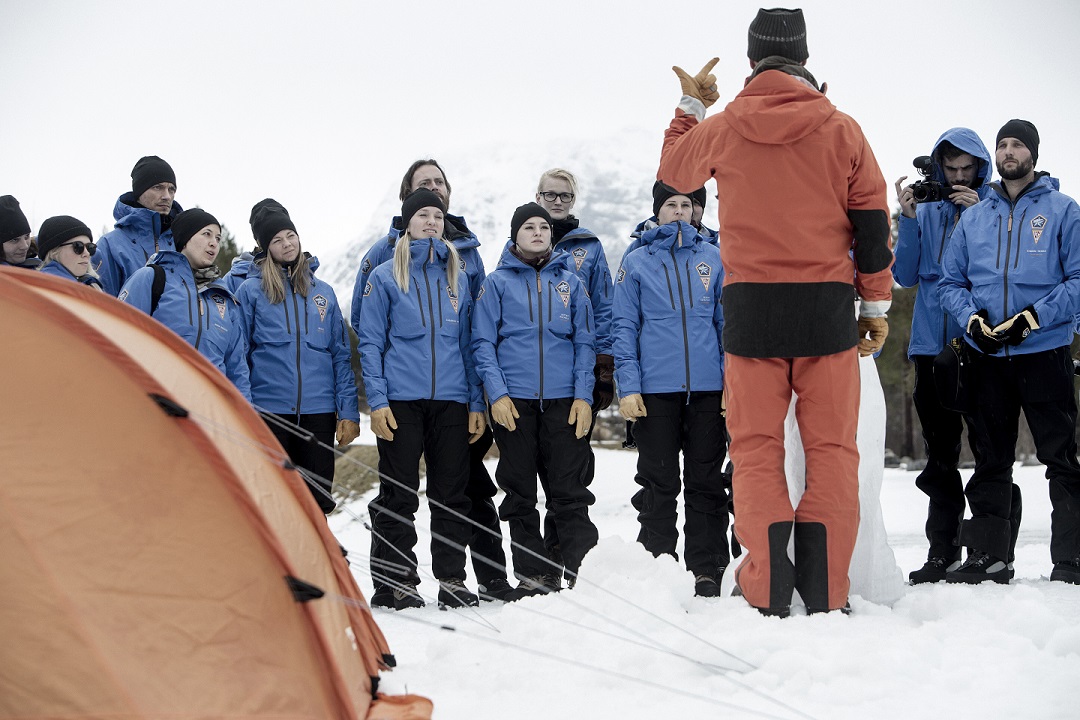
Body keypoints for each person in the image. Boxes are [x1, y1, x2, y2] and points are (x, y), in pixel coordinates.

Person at [657, 7, 894, 615]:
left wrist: (691, 107)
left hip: (752, 312)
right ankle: (825, 591)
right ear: (806, 59)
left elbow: (673, 176)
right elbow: (871, 225)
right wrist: (874, 302)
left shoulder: (728, 124)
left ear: (751, 59)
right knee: (833, 450)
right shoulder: (842, 128)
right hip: (827, 310)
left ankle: (766, 588)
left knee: (758, 448)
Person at [351, 159, 511, 602]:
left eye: (438, 215)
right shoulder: (386, 274)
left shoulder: (457, 274)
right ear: (407, 221)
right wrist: (378, 401)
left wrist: (477, 403)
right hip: (401, 400)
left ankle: (452, 581)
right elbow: (370, 342)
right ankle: (394, 582)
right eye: (423, 214)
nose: (432, 221)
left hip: (452, 402)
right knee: (399, 492)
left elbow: (470, 343)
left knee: (451, 494)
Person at [939, 119, 1080, 585]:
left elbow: (1077, 280)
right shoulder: (976, 217)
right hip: (988, 358)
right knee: (990, 459)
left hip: (1045, 351)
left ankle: (1071, 560)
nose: (1008, 151)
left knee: (1060, 457)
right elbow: (950, 282)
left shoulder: (1063, 210)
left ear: (1033, 154)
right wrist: (972, 321)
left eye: (1017, 143)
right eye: (1002, 144)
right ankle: (989, 557)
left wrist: (1032, 317)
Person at [893, 128, 1003, 584]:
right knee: (940, 458)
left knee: (988, 451)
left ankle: (988, 551)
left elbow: (999, 272)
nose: (958, 177)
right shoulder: (929, 209)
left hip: (977, 346)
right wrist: (911, 219)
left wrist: (979, 219)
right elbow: (903, 276)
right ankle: (942, 551)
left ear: (981, 169)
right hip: (927, 347)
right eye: (950, 168)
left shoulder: (995, 209)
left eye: (967, 169)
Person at [473, 202, 599, 599]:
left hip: (564, 401)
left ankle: (579, 568)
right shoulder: (496, 284)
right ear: (515, 236)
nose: (539, 232)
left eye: (543, 226)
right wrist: (497, 394)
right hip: (515, 404)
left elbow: (585, 342)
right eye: (529, 227)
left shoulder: (571, 282)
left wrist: (583, 397)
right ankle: (534, 573)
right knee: (520, 491)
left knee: (570, 490)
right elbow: (482, 343)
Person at [612, 184, 730, 597]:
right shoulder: (636, 261)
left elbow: (724, 325)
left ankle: (707, 567)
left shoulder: (713, 258)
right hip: (654, 391)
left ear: (695, 211)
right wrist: (628, 386)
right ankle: (659, 565)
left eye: (686, 205)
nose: (679, 212)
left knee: (706, 481)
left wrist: (729, 383)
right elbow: (623, 327)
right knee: (658, 483)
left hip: (707, 390)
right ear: (657, 212)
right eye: (670, 205)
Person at [236, 202, 361, 514]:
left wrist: (348, 411)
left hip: (319, 414)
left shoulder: (324, 293)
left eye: (290, 235)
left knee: (317, 503)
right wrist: (244, 408)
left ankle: (316, 563)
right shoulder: (250, 292)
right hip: (270, 414)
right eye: (276, 240)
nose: (287, 244)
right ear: (266, 249)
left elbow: (340, 356)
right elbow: (237, 355)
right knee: (274, 503)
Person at [532, 168, 614, 579]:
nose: (558, 201)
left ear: (574, 199)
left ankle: (577, 562)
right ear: (538, 196)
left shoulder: (590, 248)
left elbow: (603, 308)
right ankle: (548, 561)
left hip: (579, 377)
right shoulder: (521, 240)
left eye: (565, 195)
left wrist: (604, 368)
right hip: (533, 380)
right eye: (550, 194)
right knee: (543, 470)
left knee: (572, 471)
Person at [118, 209, 250, 401]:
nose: (214, 242)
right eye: (206, 234)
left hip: (210, 412)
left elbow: (237, 367)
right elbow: (121, 338)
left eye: (218, 238)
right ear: (185, 238)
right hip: (156, 404)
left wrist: (245, 416)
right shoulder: (152, 278)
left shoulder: (224, 299)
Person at [95, 156, 182, 296]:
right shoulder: (110, 245)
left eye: (171, 189)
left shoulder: (183, 241)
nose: (167, 196)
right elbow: (103, 305)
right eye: (158, 187)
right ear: (139, 192)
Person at [35, 216, 103, 289]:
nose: (87, 253)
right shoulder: (50, 288)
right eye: (78, 246)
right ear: (54, 251)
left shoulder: (87, 284)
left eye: (90, 247)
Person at [1, 195, 39, 269]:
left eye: (26, 236)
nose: (25, 246)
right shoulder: (4, 277)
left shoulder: (35, 265)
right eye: (14, 240)